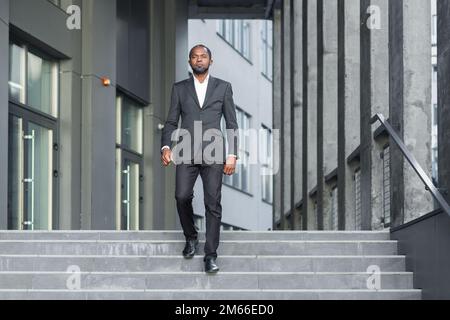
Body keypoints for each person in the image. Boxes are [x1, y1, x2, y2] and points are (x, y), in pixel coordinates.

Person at [160, 44, 239, 274]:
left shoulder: (223, 88)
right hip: (185, 150)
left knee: (212, 203)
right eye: (195, 57)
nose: (199, 60)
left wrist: (232, 154)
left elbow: (232, 123)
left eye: (203, 56)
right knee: (181, 196)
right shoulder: (180, 89)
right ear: (190, 61)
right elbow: (172, 121)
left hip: (214, 152)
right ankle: (191, 236)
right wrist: (166, 145)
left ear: (210, 61)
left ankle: (211, 255)